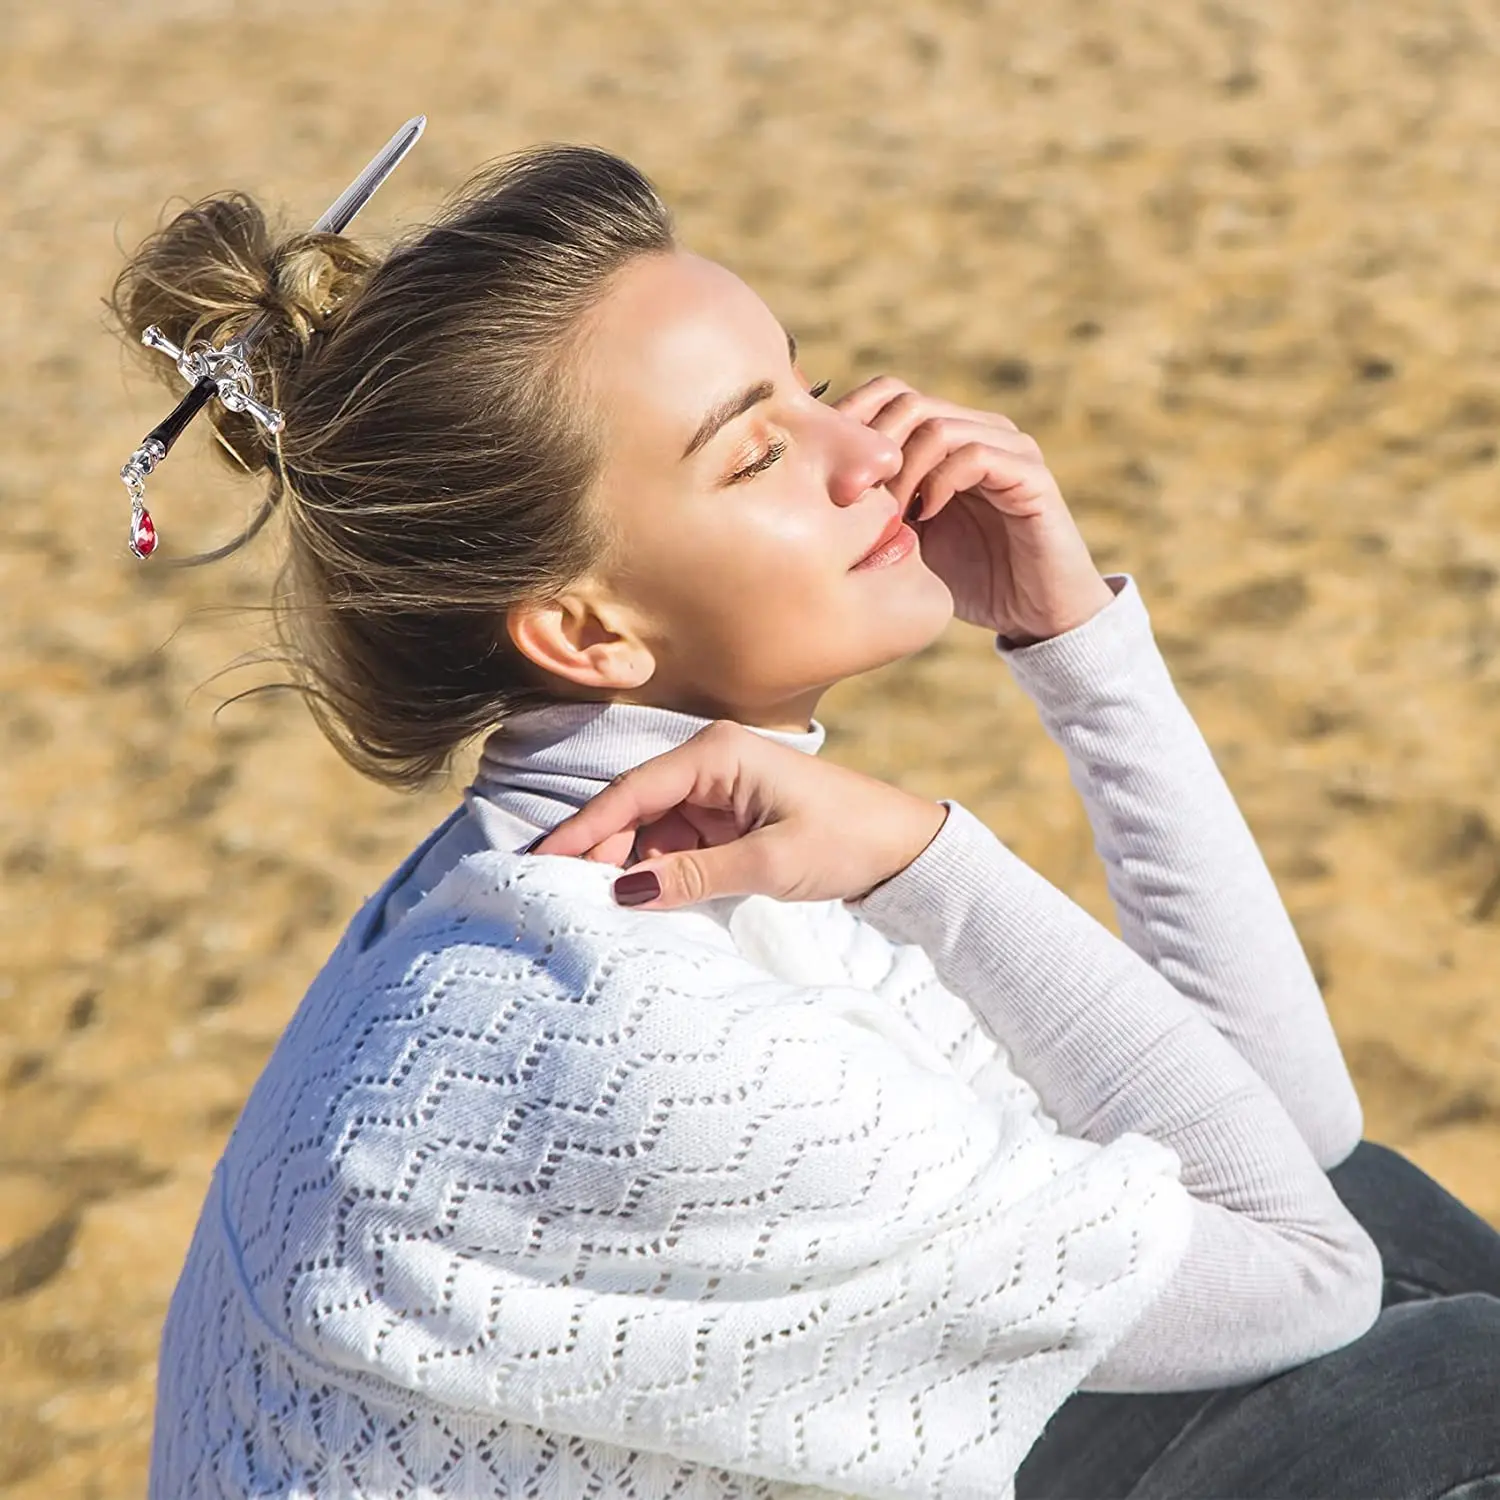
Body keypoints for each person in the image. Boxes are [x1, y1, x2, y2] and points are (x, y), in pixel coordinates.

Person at [111, 143, 1500, 1499]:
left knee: (1414, 1239)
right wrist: (930, 858)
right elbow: (1306, 1273)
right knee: (1461, 1379)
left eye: (813, 384)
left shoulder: (598, 851)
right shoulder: (640, 1013)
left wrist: (1073, 640)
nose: (871, 448)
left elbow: (1297, 1139)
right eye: (757, 452)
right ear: (585, 628)